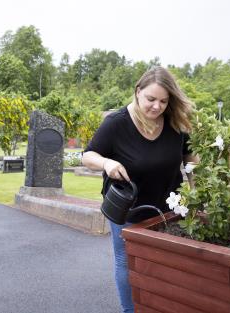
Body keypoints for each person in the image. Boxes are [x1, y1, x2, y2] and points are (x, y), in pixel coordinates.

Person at [82, 66, 197, 313]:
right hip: (128, 212)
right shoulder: (116, 123)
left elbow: (190, 159)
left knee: (165, 265)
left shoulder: (175, 124)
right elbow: (87, 156)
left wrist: (197, 190)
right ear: (137, 92)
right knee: (128, 264)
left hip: (168, 210)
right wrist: (106, 162)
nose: (157, 107)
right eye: (151, 99)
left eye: (164, 101)